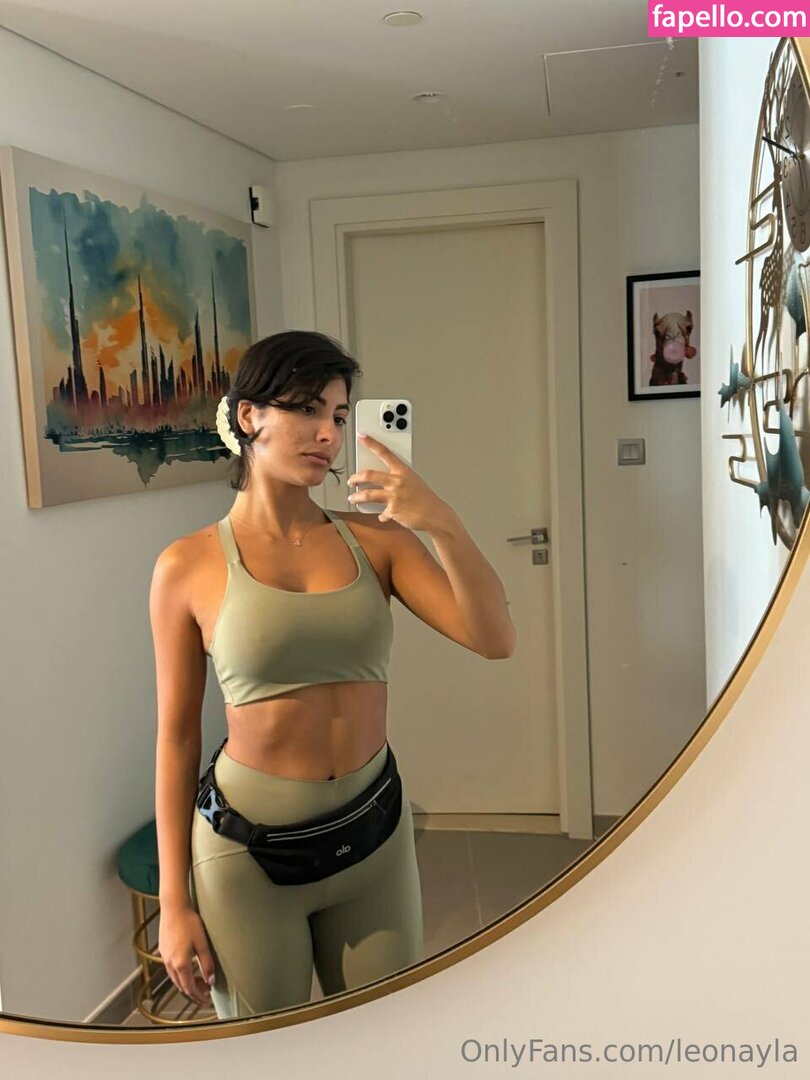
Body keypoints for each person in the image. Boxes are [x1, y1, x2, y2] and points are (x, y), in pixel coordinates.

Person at [149, 330, 517, 1019]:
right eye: (307, 409)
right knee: (267, 1053)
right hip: (246, 856)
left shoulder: (379, 541)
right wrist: (174, 902)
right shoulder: (186, 566)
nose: (329, 433)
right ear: (250, 415)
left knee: (382, 1037)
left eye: (341, 415)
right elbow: (176, 739)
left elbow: (495, 639)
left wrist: (439, 521)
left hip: (372, 835)